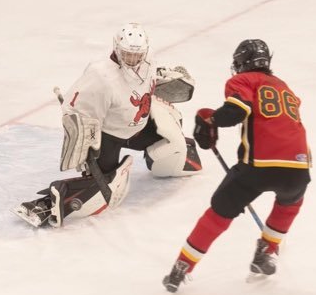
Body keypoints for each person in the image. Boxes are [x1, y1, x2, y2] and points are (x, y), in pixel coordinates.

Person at [13, 23, 202, 227]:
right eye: (127, 54)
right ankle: (45, 203)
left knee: (172, 143)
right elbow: (75, 110)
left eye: (137, 55)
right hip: (108, 136)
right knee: (103, 187)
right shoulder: (101, 75)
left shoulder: (147, 63)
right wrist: (85, 144)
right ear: (117, 49)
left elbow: (148, 83)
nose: (133, 60)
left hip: (138, 128)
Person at [163, 39, 311, 292]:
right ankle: (265, 252)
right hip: (299, 166)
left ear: (241, 63)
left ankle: (182, 267)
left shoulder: (243, 81)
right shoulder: (285, 88)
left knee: (219, 212)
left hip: (259, 166)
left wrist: (208, 119)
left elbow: (234, 113)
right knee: (289, 204)